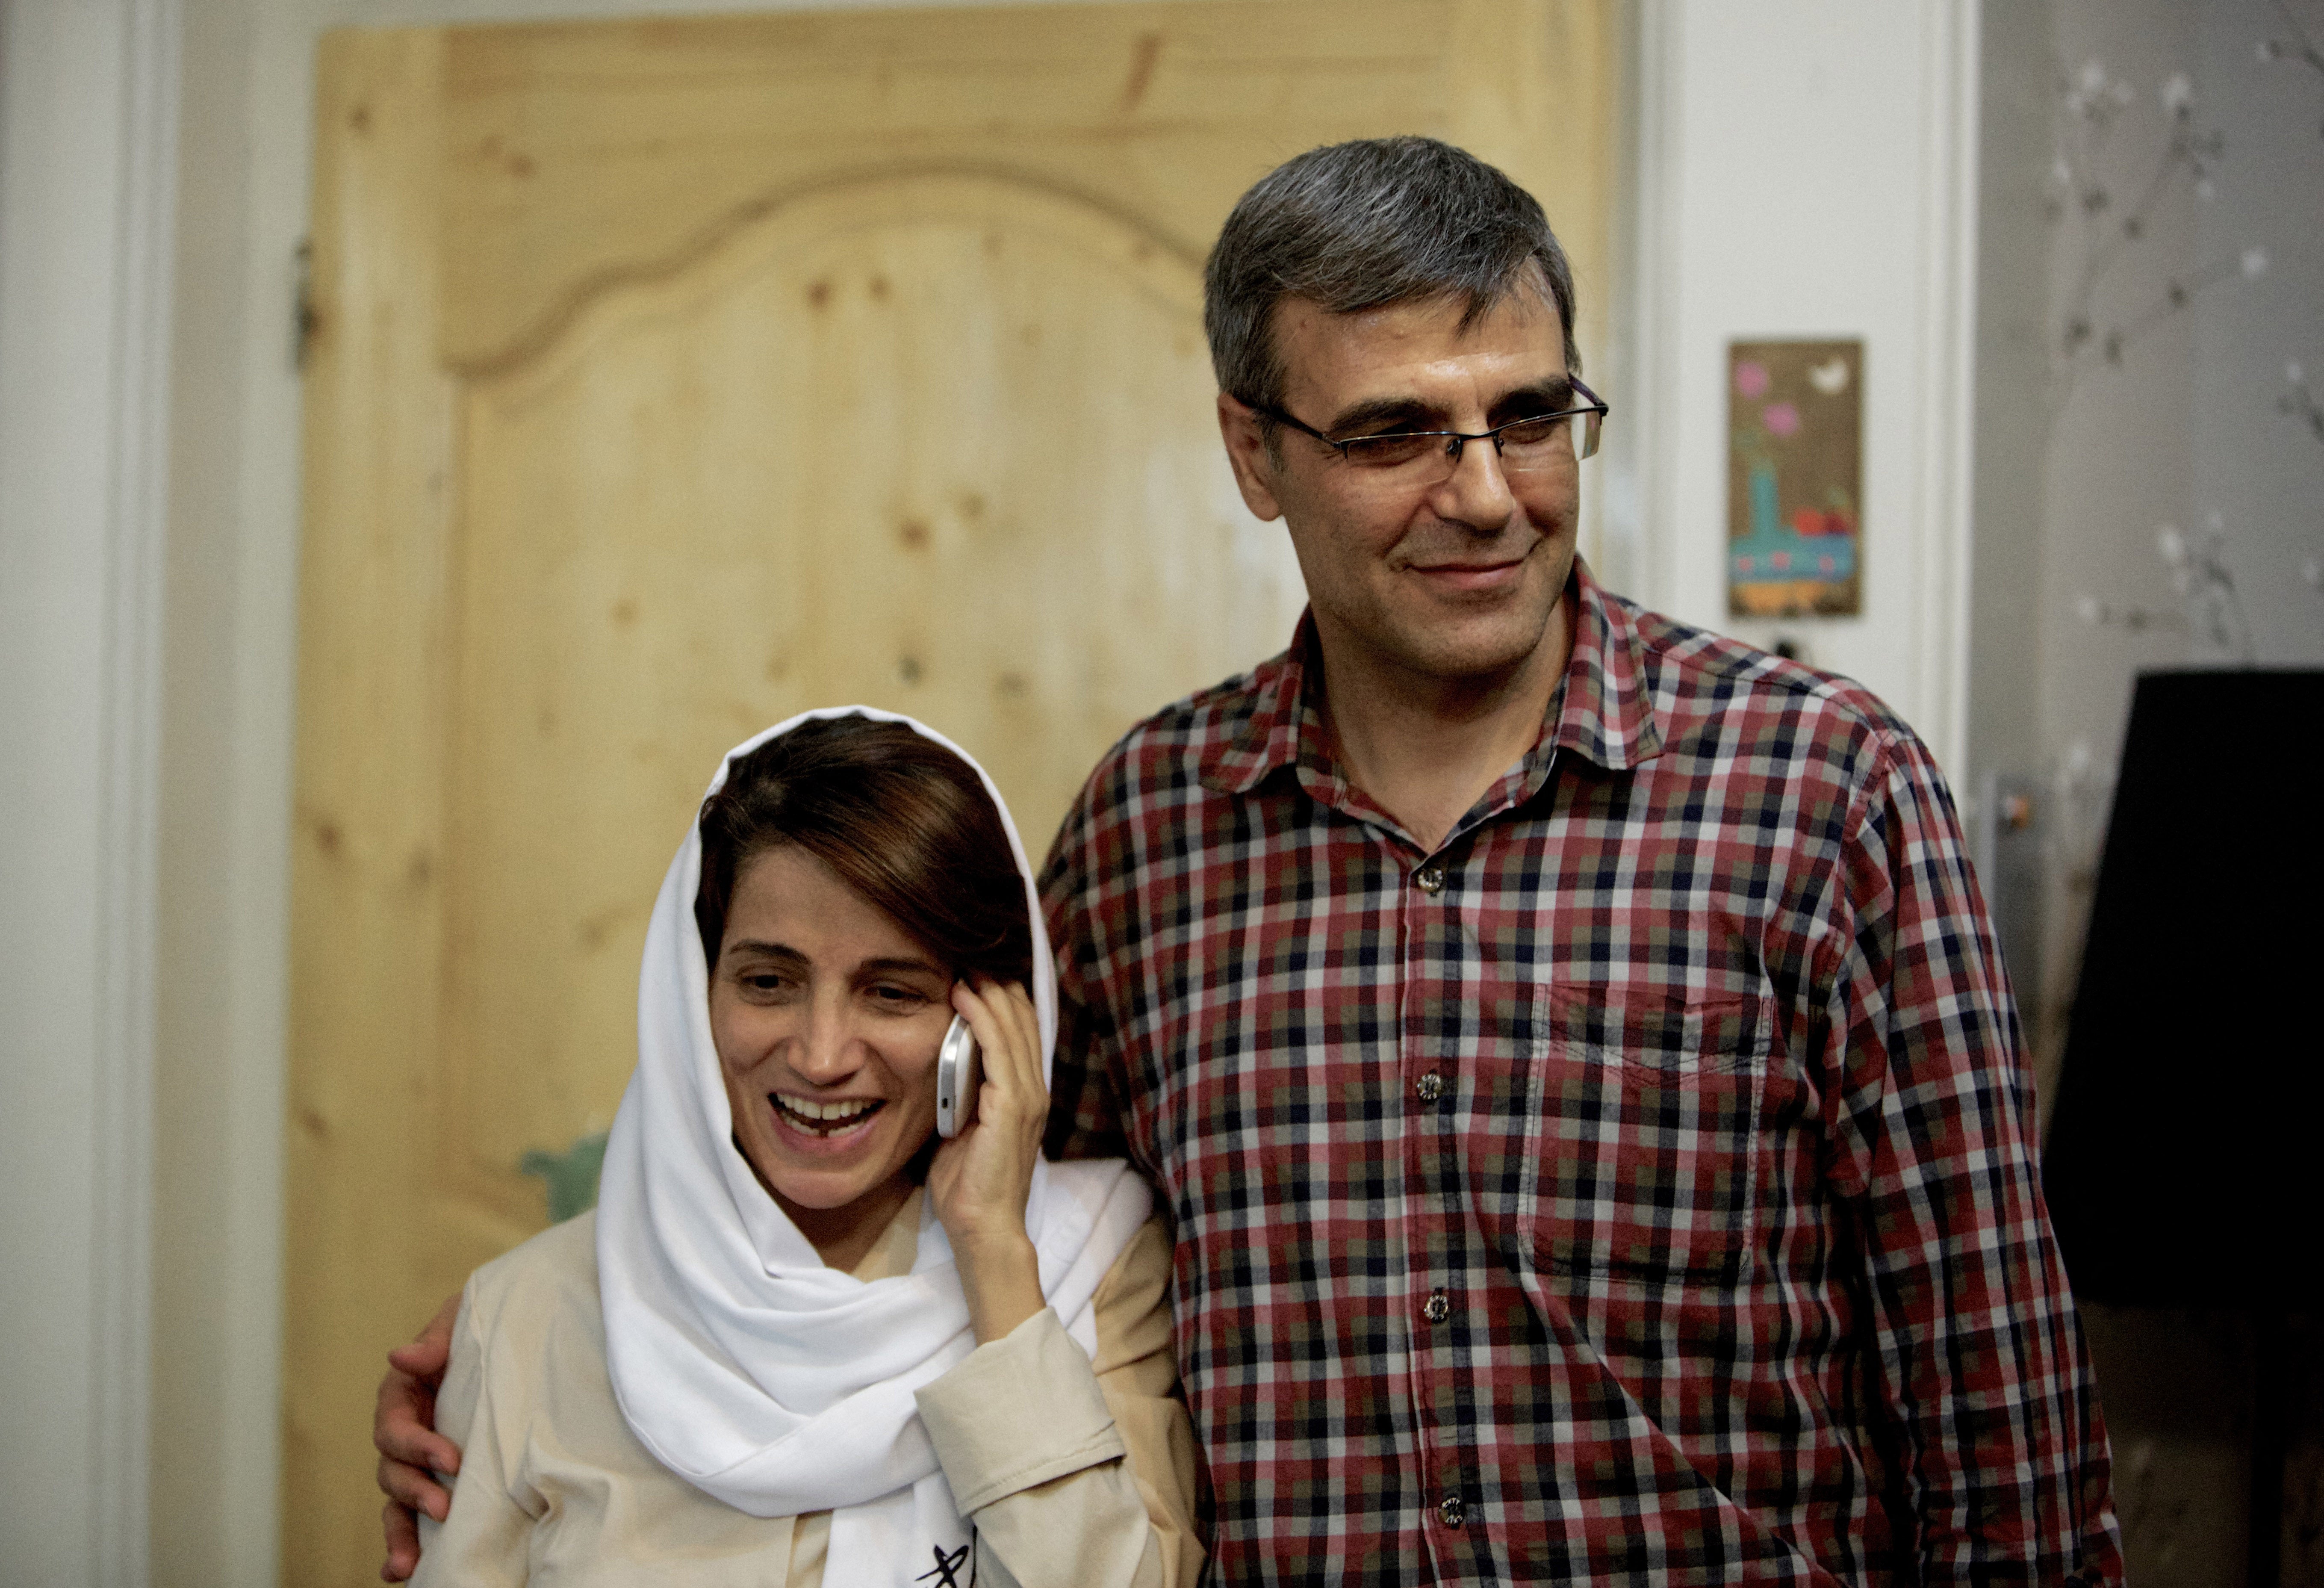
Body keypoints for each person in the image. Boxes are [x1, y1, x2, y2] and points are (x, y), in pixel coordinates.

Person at [382, 139, 2122, 1584]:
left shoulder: (1824, 792)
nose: (1488, 491)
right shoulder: (1148, 833)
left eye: (1528, 415)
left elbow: (1996, 1403)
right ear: (1251, 452)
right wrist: (553, 1346)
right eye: (1392, 434)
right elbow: (956, 1237)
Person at [396, 708, 1201, 1587]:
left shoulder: (1095, 1270)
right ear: (693, 993)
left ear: (985, 1024)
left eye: (890, 992)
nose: (821, 1057)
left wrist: (995, 1256)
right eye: (768, 982)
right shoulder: (522, 1321)